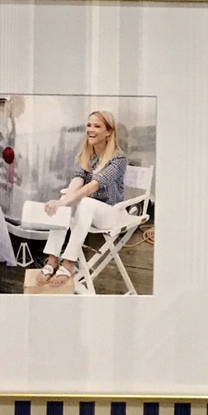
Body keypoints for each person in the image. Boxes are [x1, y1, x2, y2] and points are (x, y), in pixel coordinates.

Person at [35, 111, 128, 286]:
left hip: (111, 214)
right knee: (66, 198)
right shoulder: (88, 154)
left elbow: (92, 186)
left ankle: (69, 263)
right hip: (89, 212)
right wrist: (62, 202)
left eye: (97, 126)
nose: (91, 130)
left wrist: (65, 201)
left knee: (82, 202)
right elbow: (78, 180)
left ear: (109, 132)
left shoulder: (118, 159)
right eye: (89, 125)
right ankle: (52, 259)